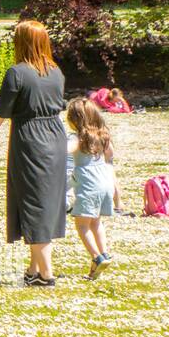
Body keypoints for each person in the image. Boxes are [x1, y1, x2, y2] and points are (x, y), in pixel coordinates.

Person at [0, 20, 67, 287]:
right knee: (44, 203)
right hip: (56, 139)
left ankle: (47, 274)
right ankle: (33, 270)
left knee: (34, 204)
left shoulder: (17, 73)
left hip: (31, 141)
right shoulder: (56, 72)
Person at [65, 97, 122, 279]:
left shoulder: (77, 138)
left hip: (88, 185)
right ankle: (104, 253)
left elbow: (66, 149)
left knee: (81, 225)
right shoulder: (102, 136)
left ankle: (96, 257)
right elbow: (110, 155)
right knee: (96, 222)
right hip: (105, 184)